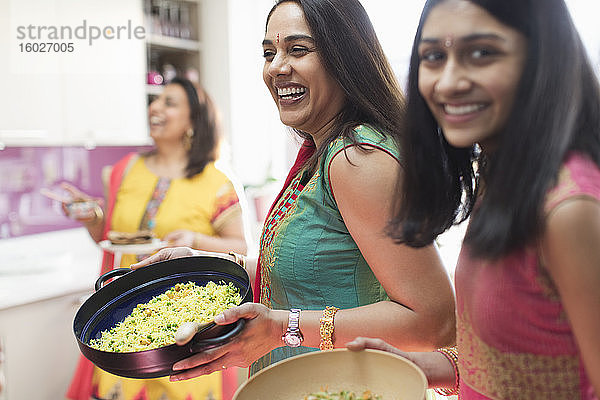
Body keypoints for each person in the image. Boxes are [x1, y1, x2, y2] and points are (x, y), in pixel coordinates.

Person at [133, 0, 456, 384]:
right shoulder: (323, 154)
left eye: (297, 50)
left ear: (345, 57)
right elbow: (309, 278)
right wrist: (203, 267)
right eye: (269, 53)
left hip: (344, 388)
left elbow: (434, 322)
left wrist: (280, 329)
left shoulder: (359, 158)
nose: (276, 67)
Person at [347, 0, 600, 399]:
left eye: (481, 53)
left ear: (541, 59)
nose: (448, 82)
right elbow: (518, 360)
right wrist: (414, 366)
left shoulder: (568, 209)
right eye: (433, 56)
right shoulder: (498, 174)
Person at [66, 78, 249, 400]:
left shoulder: (216, 182)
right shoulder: (125, 170)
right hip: (123, 316)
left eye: (170, 102)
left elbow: (240, 248)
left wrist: (195, 239)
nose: (155, 107)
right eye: (156, 100)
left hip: (183, 320)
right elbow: (109, 239)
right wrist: (92, 218)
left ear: (193, 120)